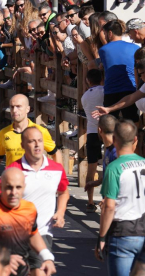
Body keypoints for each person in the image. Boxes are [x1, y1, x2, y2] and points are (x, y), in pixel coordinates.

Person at [0, 168, 56, 276]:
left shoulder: (30, 209)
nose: (13, 192)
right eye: (9, 187)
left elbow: (33, 234)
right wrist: (1, 258)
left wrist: (47, 257)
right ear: (1, 187)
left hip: (20, 271)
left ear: (24, 187)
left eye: (18, 187)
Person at [5, 127, 69, 275]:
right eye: (32, 141)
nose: (37, 145)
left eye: (39, 141)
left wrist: (60, 212)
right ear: (23, 145)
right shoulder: (13, 170)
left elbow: (63, 192)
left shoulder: (56, 169)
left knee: (40, 273)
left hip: (42, 232)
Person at [0, 94, 62, 196]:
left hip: (35, 186)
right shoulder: (4, 133)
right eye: (12, 107)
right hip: (12, 186)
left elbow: (56, 153)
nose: (14, 110)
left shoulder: (40, 131)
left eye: (18, 106)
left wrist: (58, 178)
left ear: (27, 109)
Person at [95, 120, 145, 276]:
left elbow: (109, 206)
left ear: (114, 139)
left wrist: (101, 237)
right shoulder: (144, 163)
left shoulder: (114, 168)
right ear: (135, 139)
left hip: (122, 232)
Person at [98, 20, 140, 122]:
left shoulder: (103, 49)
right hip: (131, 89)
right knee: (132, 122)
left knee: (109, 124)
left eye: (104, 34)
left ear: (110, 33)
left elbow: (104, 65)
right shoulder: (135, 47)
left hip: (111, 90)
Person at [80, 69, 104, 212]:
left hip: (92, 132)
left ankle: (90, 202)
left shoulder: (84, 97)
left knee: (91, 168)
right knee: (108, 167)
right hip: (106, 131)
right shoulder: (105, 90)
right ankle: (104, 200)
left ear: (88, 81)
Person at [84, 115, 118, 193]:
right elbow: (108, 173)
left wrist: (109, 201)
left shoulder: (116, 152)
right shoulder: (110, 149)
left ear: (99, 130)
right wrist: (96, 182)